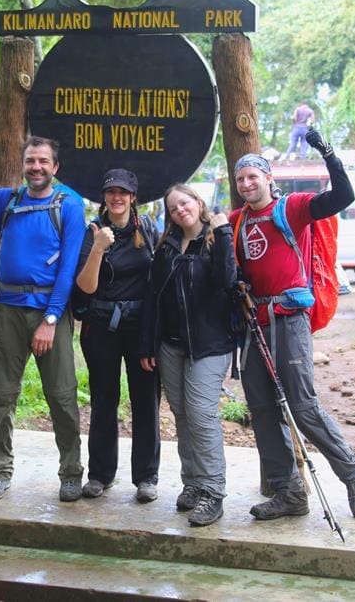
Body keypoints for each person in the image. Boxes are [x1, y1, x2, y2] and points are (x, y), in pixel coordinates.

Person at [230, 129, 355, 523]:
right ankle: (289, 492)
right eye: (241, 178)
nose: (247, 183)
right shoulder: (237, 221)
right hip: (255, 323)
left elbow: (342, 197)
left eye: (253, 176)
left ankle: (353, 469)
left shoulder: (293, 208)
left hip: (290, 320)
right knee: (260, 409)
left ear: (268, 179)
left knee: (303, 406)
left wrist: (329, 154)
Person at [0, 126, 85, 503]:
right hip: (7, 310)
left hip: (48, 312)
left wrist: (52, 318)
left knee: (61, 396)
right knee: (0, 394)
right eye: (30, 161)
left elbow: (68, 267)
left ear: (55, 166)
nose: (36, 167)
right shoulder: (6, 200)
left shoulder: (68, 205)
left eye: (43, 161)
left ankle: (71, 473)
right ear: (23, 165)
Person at [139, 183, 237, 526]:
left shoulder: (215, 239)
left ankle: (213, 491)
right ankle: (193, 482)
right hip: (171, 345)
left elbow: (228, 280)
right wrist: (148, 344)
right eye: (174, 208)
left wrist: (224, 233)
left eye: (185, 203)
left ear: (198, 202)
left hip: (209, 346)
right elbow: (154, 297)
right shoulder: (166, 247)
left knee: (201, 414)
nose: (181, 210)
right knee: (181, 413)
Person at [74, 169, 160, 503]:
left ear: (133, 197)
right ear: (104, 197)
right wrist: (98, 248)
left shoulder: (149, 229)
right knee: (103, 400)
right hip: (101, 327)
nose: (117, 197)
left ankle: (146, 476)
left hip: (141, 328)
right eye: (111, 192)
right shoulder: (93, 231)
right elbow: (86, 287)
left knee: (146, 401)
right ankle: (100, 474)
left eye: (123, 192)